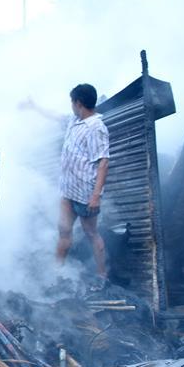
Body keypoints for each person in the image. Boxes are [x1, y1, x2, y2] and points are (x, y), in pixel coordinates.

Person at [57, 84, 110, 285]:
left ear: (78, 103)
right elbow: (57, 117)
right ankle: (57, 273)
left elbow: (103, 162)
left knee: (91, 233)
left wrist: (96, 195)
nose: (71, 106)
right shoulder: (75, 120)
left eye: (72, 102)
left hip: (86, 194)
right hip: (67, 190)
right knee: (63, 231)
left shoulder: (96, 128)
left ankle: (102, 275)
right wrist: (34, 107)